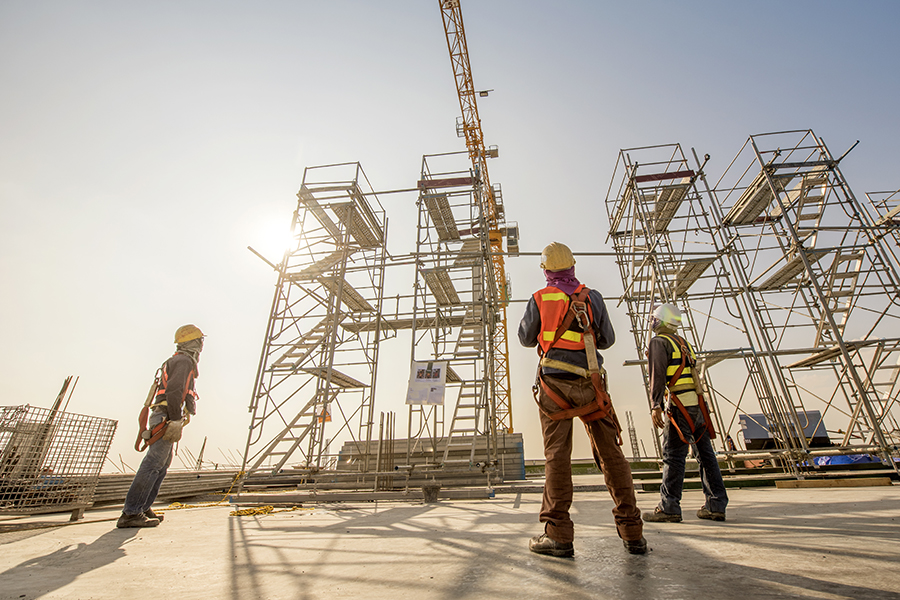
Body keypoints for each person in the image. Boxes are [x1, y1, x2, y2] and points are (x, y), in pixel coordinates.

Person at [518, 242, 646, 556]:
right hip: (592, 383)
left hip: (554, 387)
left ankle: (558, 534)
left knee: (557, 456)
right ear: (573, 267)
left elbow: (524, 338)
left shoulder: (540, 297)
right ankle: (633, 532)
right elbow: (608, 340)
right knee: (610, 454)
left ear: (546, 270)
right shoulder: (593, 297)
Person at [643, 304, 728, 523]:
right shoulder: (683, 343)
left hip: (680, 405)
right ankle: (716, 503)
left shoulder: (659, 342)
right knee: (706, 454)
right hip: (698, 405)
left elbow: (658, 376)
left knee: (673, 456)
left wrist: (656, 404)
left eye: (654, 319)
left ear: (660, 321)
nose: (652, 322)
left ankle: (669, 507)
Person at [117, 325, 204, 528]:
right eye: (200, 341)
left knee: (161, 466)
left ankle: (143, 506)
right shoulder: (183, 361)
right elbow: (175, 390)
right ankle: (131, 513)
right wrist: (174, 419)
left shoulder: (177, 360)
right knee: (153, 464)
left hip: (164, 415)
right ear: (194, 343)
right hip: (166, 416)